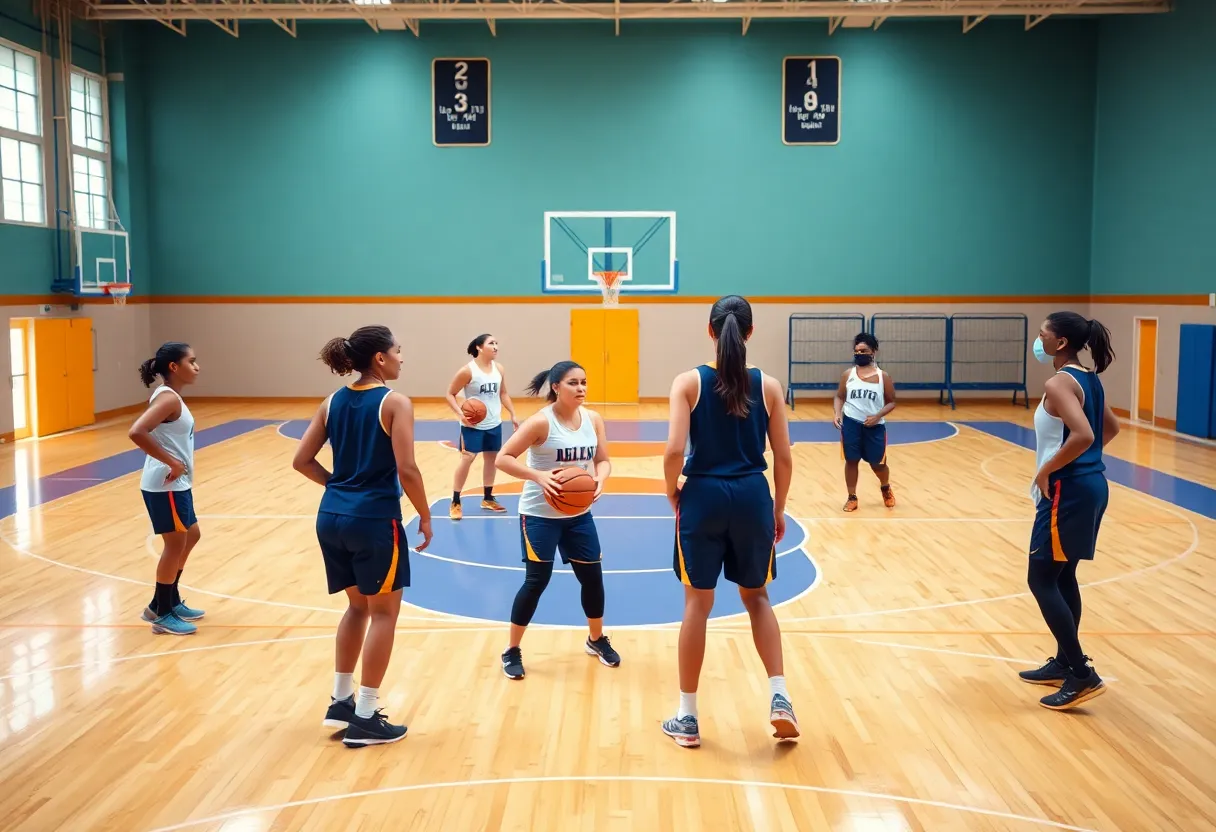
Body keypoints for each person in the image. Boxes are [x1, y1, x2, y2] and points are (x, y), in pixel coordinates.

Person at [660, 295, 797, 749]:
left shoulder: (687, 382)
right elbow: (784, 457)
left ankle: (688, 717)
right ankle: (780, 697)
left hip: (703, 496)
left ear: (710, 330)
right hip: (752, 495)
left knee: (697, 605)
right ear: (750, 332)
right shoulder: (771, 386)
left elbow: (674, 452)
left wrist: (671, 490)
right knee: (757, 597)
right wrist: (776, 509)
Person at [292, 325, 434, 747]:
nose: (402, 358)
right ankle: (367, 715)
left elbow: (301, 460)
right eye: (398, 351)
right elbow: (407, 469)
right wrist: (425, 515)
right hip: (374, 521)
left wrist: (340, 487)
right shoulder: (395, 402)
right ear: (380, 359)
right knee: (385, 614)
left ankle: (341, 701)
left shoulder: (332, 401)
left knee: (357, 608)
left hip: (330, 518)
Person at [1019, 312, 1119, 711]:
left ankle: (1081, 673)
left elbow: (1086, 434)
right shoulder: (1089, 379)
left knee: (1041, 579)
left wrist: (1050, 468)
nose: (1038, 340)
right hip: (1087, 486)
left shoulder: (1058, 382)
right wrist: (1086, 464)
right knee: (1063, 576)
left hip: (1067, 492)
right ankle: (1064, 660)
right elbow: (1109, 429)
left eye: (1043, 335)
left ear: (1060, 343)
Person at [493, 360, 618, 680]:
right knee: (536, 581)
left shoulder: (593, 419)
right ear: (556, 387)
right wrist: (538, 476)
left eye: (584, 382)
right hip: (539, 515)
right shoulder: (540, 423)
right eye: (574, 383)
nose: (581, 389)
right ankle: (511, 650)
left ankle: (596, 639)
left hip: (579, 515)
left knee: (593, 578)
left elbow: (603, 461)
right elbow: (503, 458)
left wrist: (600, 479)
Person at [129, 342, 204, 636]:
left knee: (191, 535)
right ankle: (160, 612)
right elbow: (137, 431)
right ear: (174, 367)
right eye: (192, 361)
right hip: (166, 485)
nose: (197, 367)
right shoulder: (168, 399)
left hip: (177, 484)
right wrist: (171, 461)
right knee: (175, 544)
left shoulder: (172, 397)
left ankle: (169, 599)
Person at [444, 333, 518, 520]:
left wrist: (513, 413)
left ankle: (487, 497)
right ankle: (455, 500)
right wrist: (461, 414)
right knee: (467, 459)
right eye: (491, 343)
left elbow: (503, 393)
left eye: (496, 343)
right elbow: (450, 394)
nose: (495, 347)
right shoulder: (467, 371)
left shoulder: (499, 369)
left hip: (494, 423)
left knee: (491, 460)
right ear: (479, 347)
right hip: (472, 425)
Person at [832, 333, 897, 512]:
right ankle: (852, 497)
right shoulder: (848, 375)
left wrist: (877, 416)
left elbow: (891, 401)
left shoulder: (883, 376)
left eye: (864, 350)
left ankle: (885, 487)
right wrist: (837, 413)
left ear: (873, 352)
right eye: (857, 351)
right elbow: (839, 396)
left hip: (874, 427)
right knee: (851, 460)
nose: (859, 353)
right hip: (852, 423)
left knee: (878, 464)